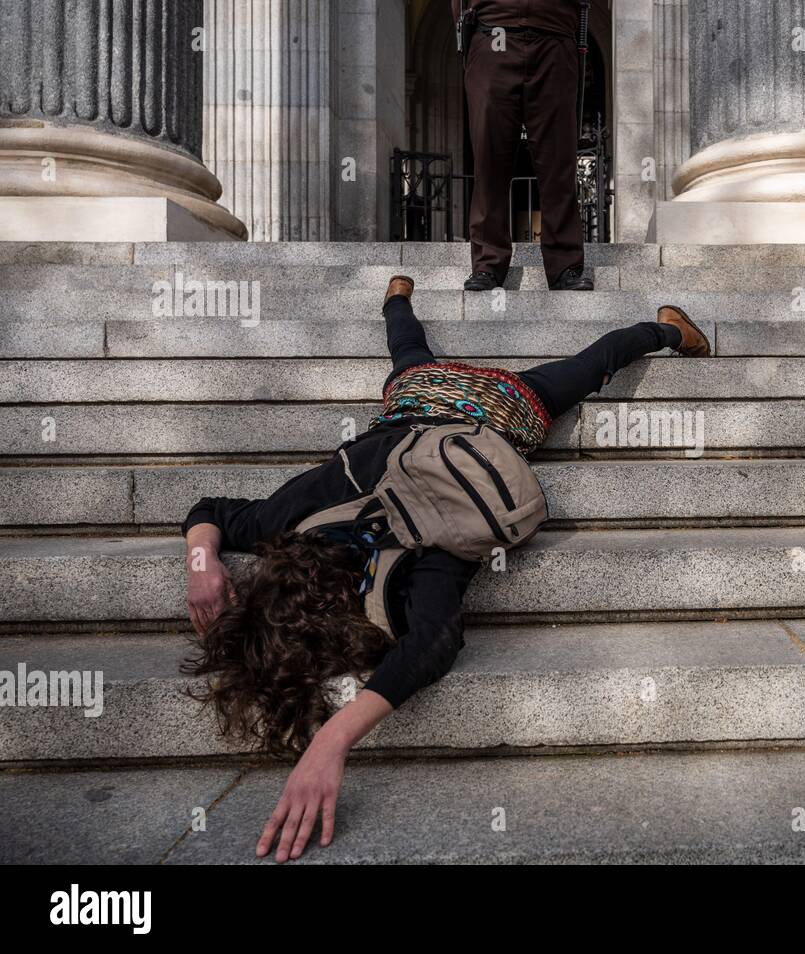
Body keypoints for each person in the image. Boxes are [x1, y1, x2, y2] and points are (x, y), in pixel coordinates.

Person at [181, 276, 710, 862]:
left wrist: (333, 737)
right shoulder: (294, 515)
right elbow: (210, 513)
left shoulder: (417, 561)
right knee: (415, 350)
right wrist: (201, 562)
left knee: (591, 365)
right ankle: (402, 300)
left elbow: (433, 642)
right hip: (419, 396)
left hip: (506, 412)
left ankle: (663, 329)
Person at [454, 0, 591, 292]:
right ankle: (487, 264)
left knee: (559, 162)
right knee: (489, 159)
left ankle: (565, 265)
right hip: (492, 31)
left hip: (556, 34)